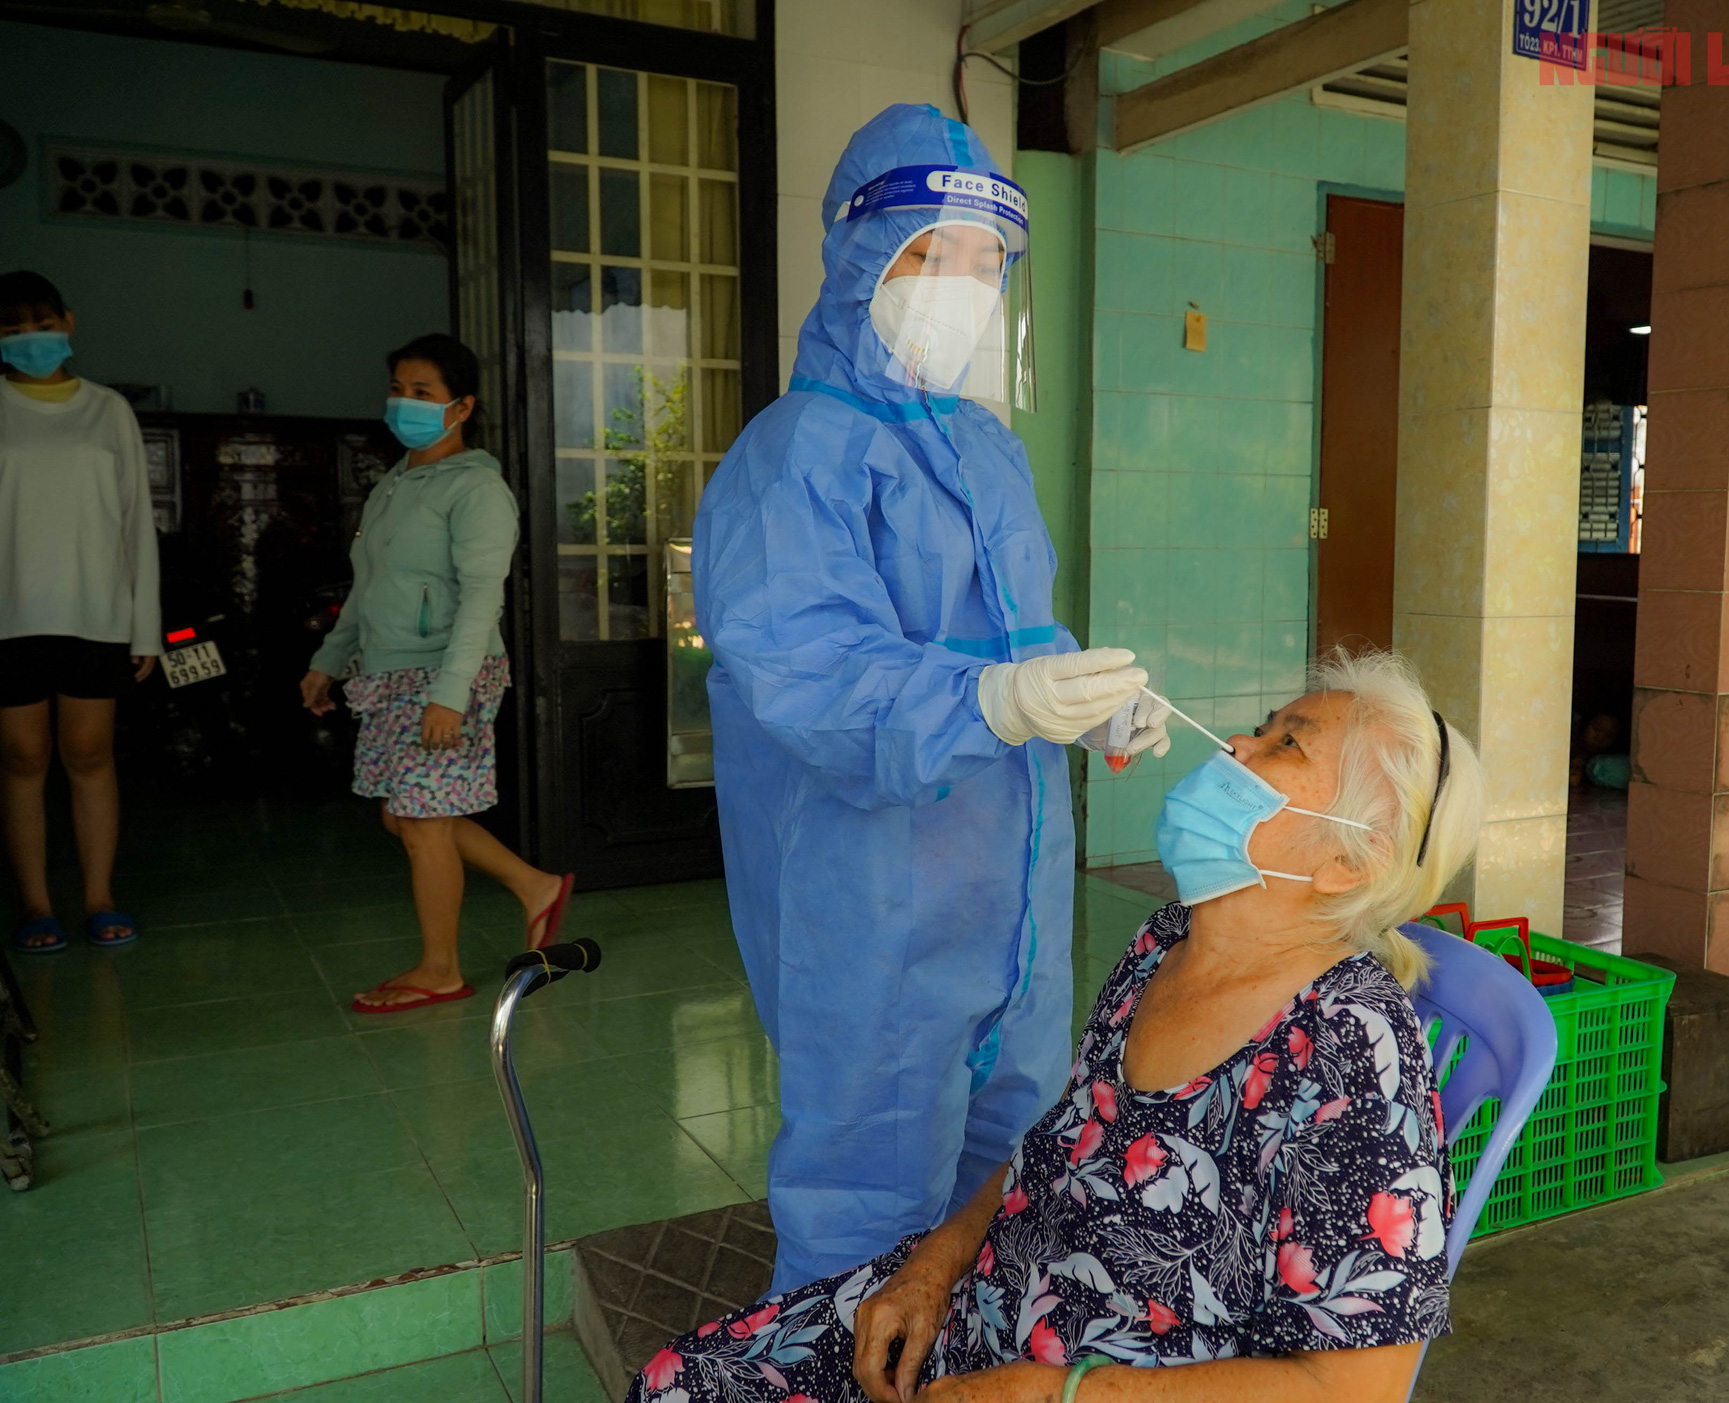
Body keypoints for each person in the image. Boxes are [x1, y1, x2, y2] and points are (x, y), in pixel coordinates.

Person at [628, 649, 1484, 1403]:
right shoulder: (1166, 943)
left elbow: (1353, 1388)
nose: (1236, 748)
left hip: (1084, 1385)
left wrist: (1057, 1392)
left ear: (1350, 860)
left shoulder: (1349, 1052)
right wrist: (931, 1267)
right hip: (976, 1326)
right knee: (675, 1384)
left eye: (1284, 745)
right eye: (1260, 728)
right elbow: (1063, 1144)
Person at [693, 104, 1165, 1293]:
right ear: (860, 257)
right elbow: (811, 675)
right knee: (869, 1176)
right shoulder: (792, 455)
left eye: (982, 262)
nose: (960, 286)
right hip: (873, 889)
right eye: (927, 256)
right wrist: (998, 702)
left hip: (1008, 892)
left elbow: (1013, 633)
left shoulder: (985, 449)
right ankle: (834, 1351)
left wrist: (1087, 697)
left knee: (1011, 1161)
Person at [300, 333, 573, 1012]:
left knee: (423, 822)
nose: (404, 402)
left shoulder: (477, 488)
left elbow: (484, 597)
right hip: (391, 672)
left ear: (462, 406)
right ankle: (536, 886)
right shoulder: (395, 483)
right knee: (407, 816)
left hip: (448, 673)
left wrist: (449, 696)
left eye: (423, 392)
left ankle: (440, 969)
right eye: (398, 388)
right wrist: (328, 661)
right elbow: (368, 588)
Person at [0, 270, 159, 954]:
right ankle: (36, 902)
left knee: (90, 753)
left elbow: (136, 526)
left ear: (67, 321)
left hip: (97, 612)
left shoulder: (108, 410)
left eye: (39, 324)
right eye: (11, 330)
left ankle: (99, 895)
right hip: (9, 616)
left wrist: (145, 625)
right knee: (21, 755)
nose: (30, 339)